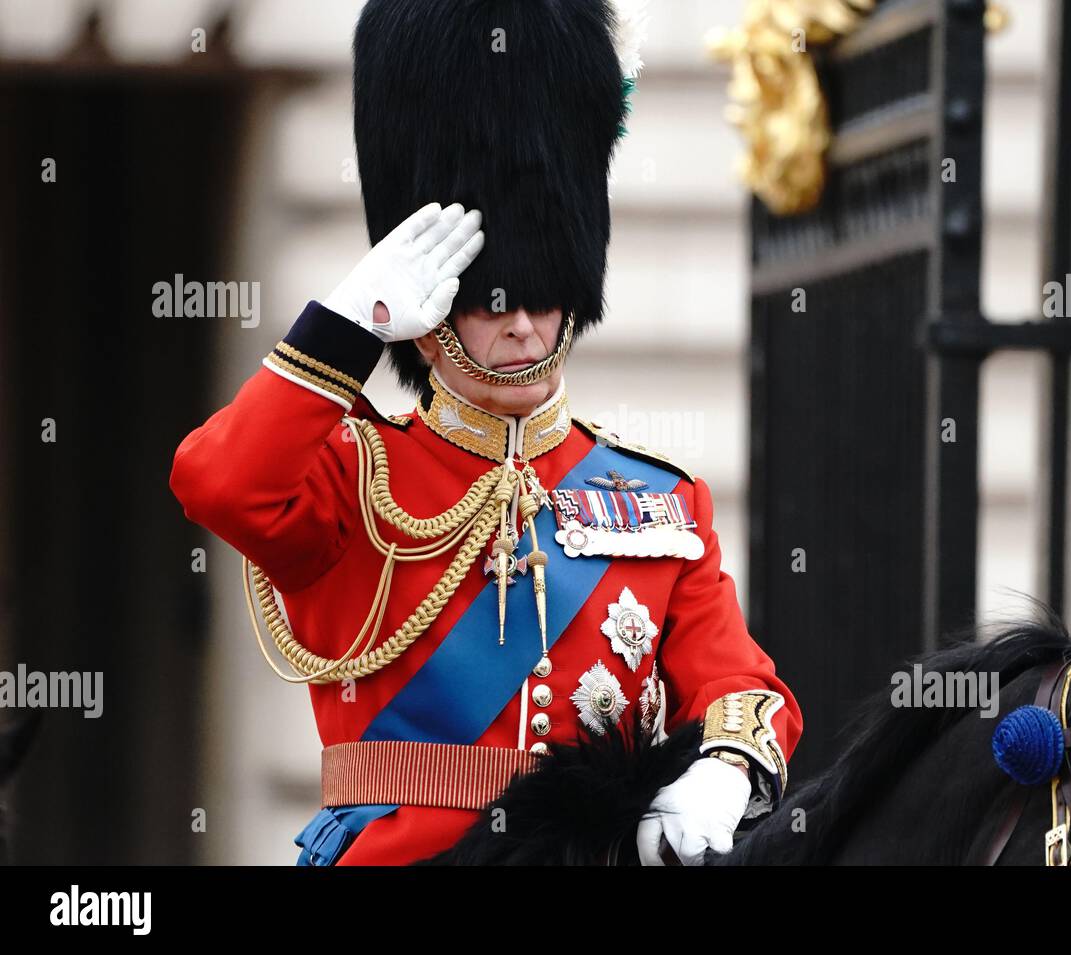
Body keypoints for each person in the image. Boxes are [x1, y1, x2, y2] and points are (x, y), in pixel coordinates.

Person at [168, 0, 802, 866]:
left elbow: (740, 684)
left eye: (547, 293)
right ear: (431, 312)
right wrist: (349, 324)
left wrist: (723, 771)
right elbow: (217, 480)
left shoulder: (658, 500)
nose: (523, 324)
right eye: (490, 298)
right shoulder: (354, 473)